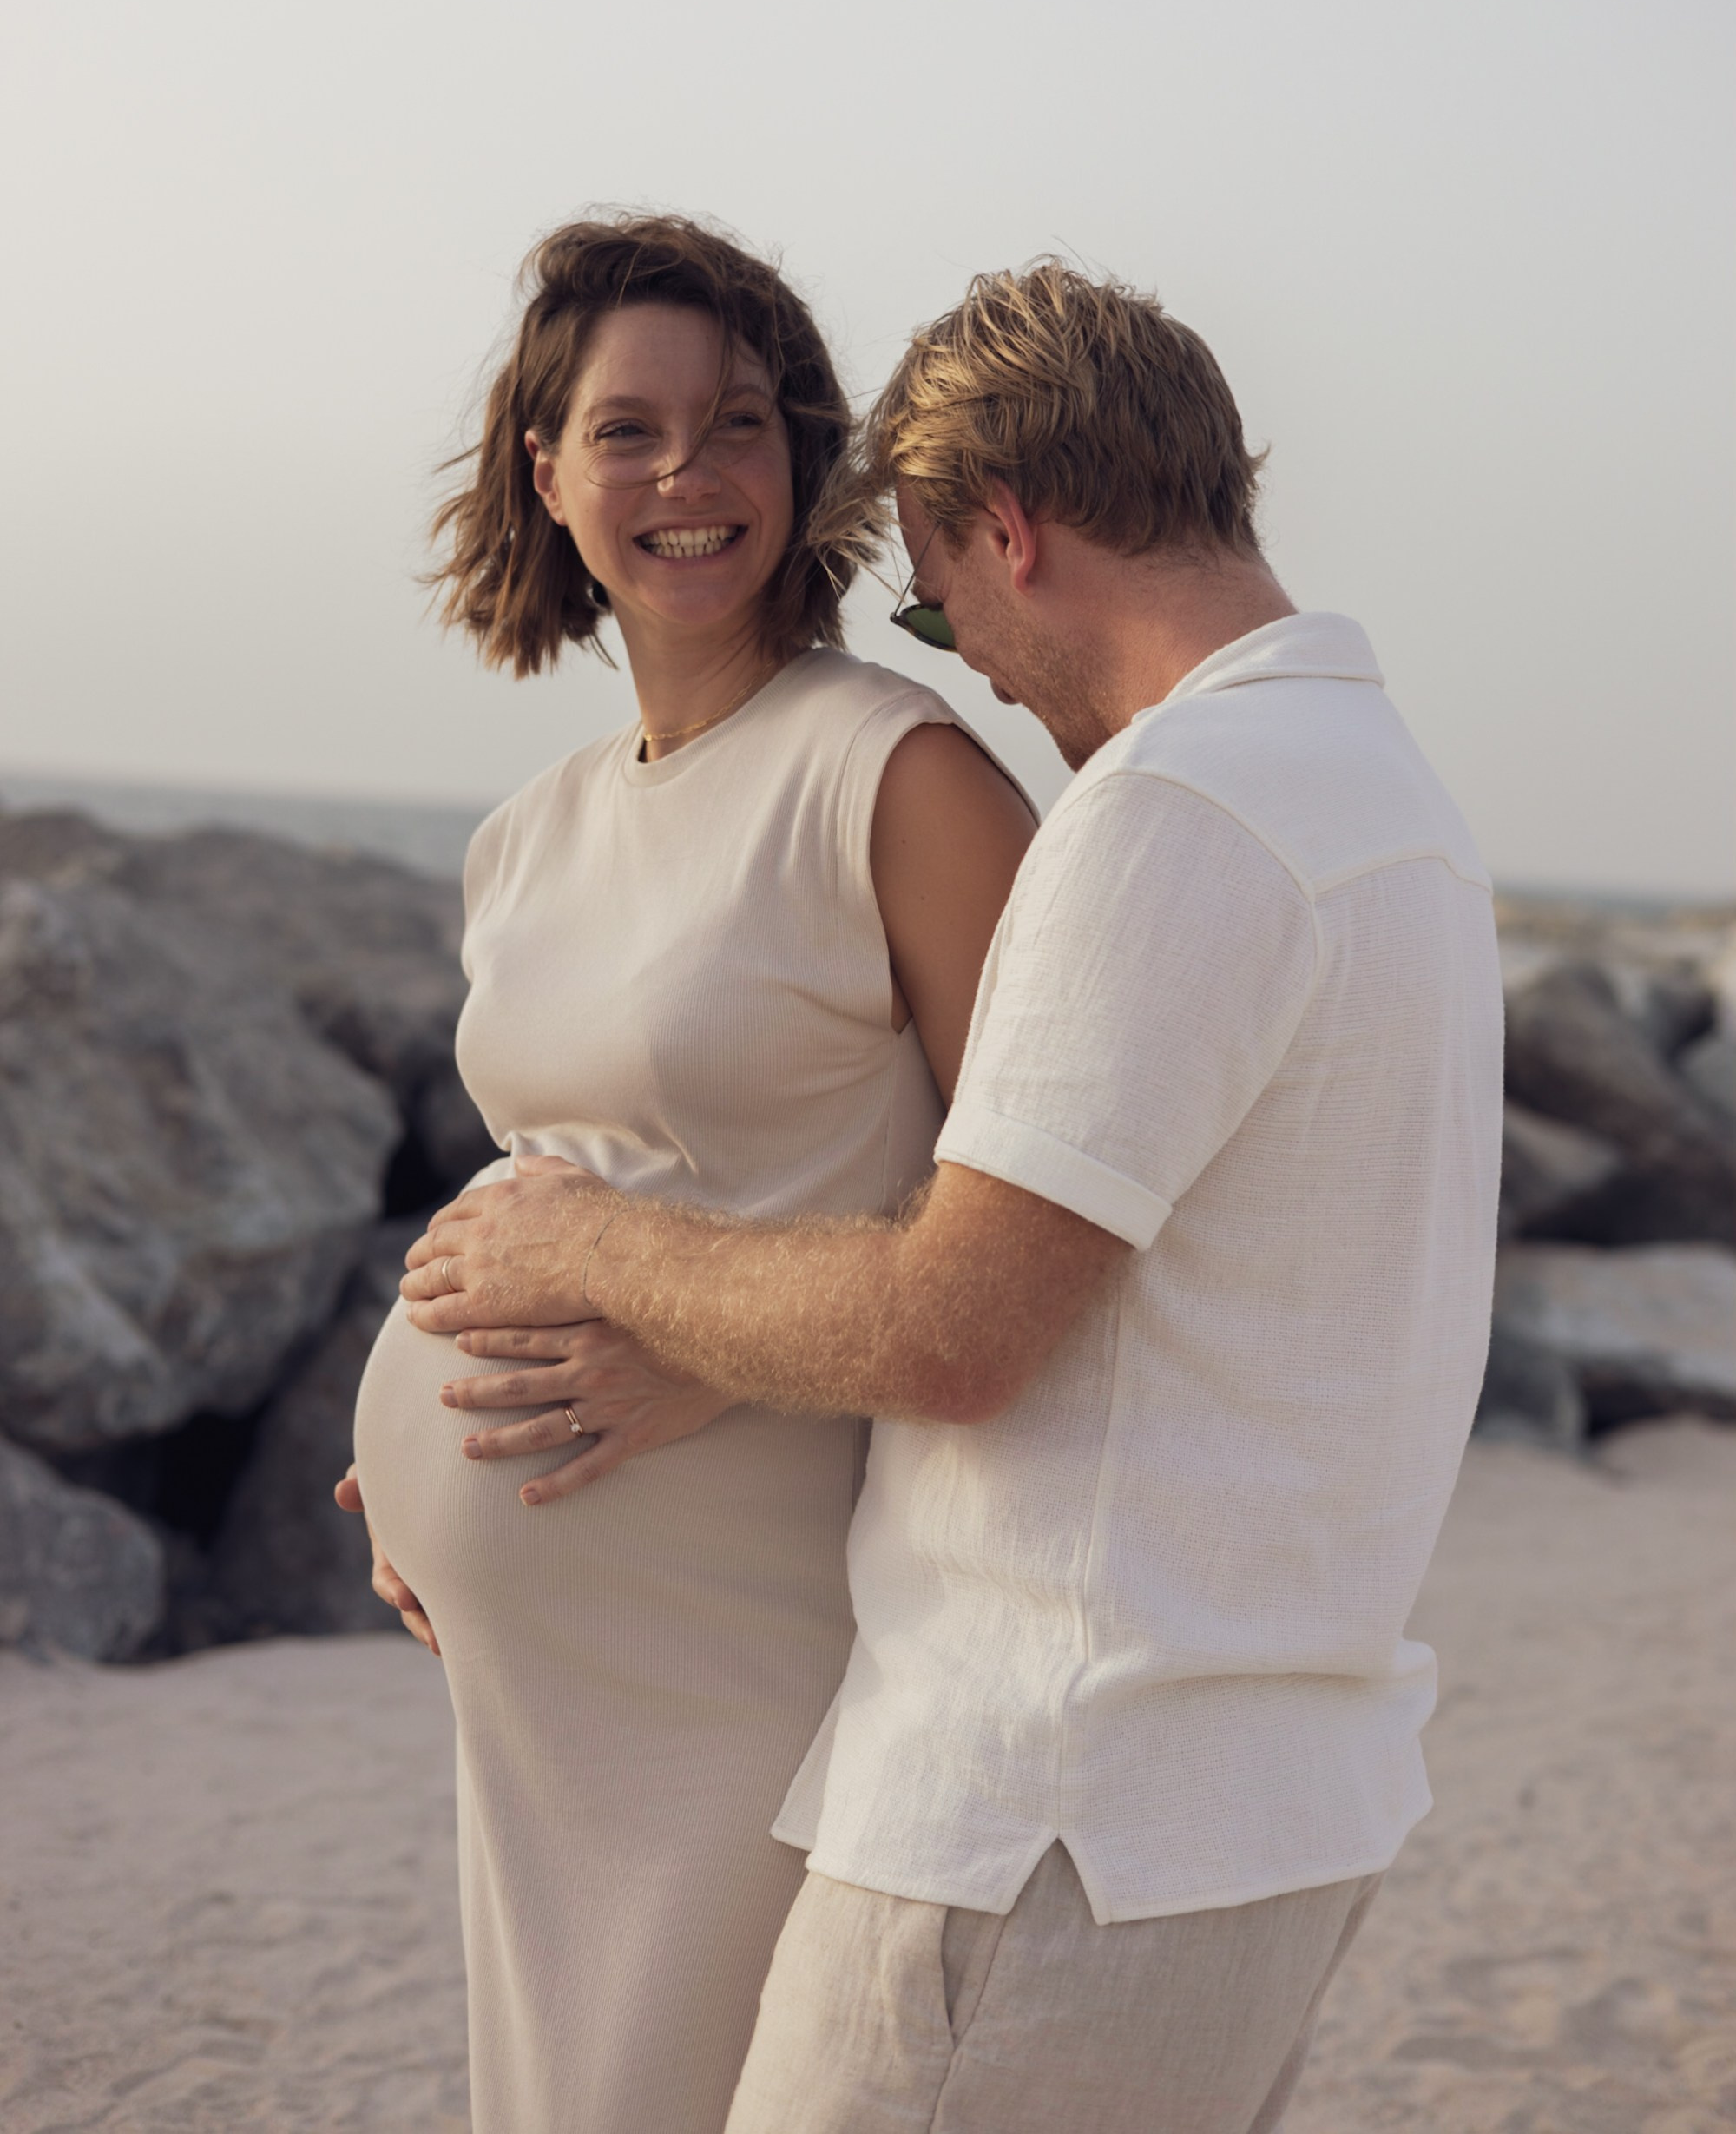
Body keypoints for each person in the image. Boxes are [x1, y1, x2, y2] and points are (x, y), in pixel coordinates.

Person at [402, 258, 1507, 2134]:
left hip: (1052, 1812)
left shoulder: (1169, 817)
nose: (962, 654)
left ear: (1008, 531)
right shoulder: (1374, 791)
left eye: (935, 594)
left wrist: (580, 1249)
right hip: (1216, 1801)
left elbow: (952, 1323)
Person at [340, 214, 1034, 2134]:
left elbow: (1050, 1228)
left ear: (803, 462)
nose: (685, 474)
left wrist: (726, 1357)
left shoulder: (897, 776)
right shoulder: (526, 836)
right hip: (540, 1659)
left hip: (750, 1622)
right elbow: (563, 1177)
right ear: (544, 474)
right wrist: (395, 1425)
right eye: (626, 430)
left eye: (735, 423)